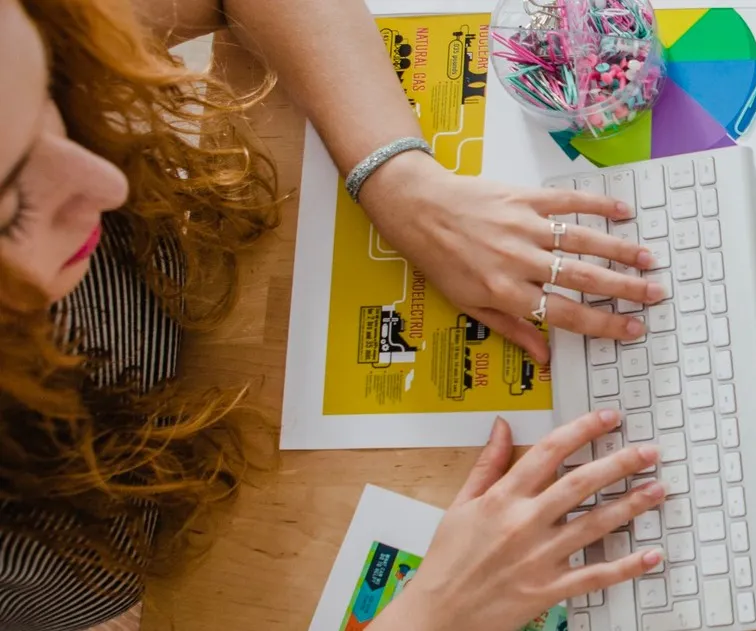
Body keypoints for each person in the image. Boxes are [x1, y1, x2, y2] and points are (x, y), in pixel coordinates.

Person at [0, 0, 665, 628]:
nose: (105, 182)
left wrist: (398, 180)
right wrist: (430, 612)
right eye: (11, 208)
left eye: (47, 106)